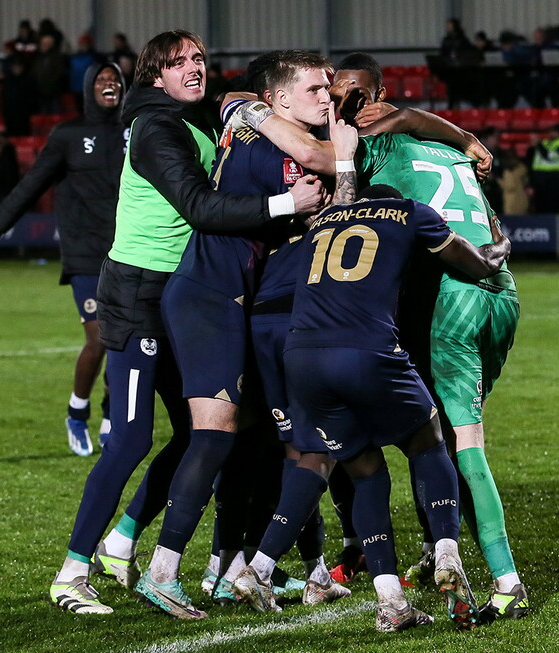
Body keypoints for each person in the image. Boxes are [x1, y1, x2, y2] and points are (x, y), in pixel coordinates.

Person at [46, 29, 325, 616]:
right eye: (177, 63)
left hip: (178, 295)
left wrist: (242, 104)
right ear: (155, 77)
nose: (193, 68)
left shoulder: (196, 123)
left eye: (199, 58)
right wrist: (285, 203)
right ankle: (72, 572)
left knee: (207, 433)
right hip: (136, 296)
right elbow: (198, 208)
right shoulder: (156, 129)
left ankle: (122, 543)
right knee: (128, 440)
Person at [281, 117, 510, 632]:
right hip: (369, 352)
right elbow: (478, 265)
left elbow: (342, 196)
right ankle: (446, 549)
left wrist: (341, 160)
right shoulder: (410, 212)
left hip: (303, 357)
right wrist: (502, 248)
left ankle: (390, 602)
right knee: (429, 441)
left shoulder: (324, 219)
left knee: (363, 471)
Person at [130, 45, 329, 621]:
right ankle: (162, 571)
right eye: (315, 90)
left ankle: (230, 567)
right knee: (213, 435)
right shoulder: (265, 134)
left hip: (230, 296)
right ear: (279, 99)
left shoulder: (254, 125)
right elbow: (313, 159)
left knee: (249, 436)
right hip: (207, 293)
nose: (326, 99)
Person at [0, 63, 127, 456]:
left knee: (125, 342)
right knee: (99, 339)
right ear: (87, 88)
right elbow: (31, 185)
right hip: (84, 255)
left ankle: (112, 418)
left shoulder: (136, 131)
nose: (108, 85)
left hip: (129, 253)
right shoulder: (68, 134)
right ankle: (77, 412)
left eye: (114, 80)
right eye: (101, 80)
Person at [530, 122, 559, 212]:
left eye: (553, 131)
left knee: (552, 203)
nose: (550, 133)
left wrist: (538, 144)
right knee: (540, 204)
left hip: (554, 177)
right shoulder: (545, 142)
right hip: (541, 177)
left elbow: (550, 156)